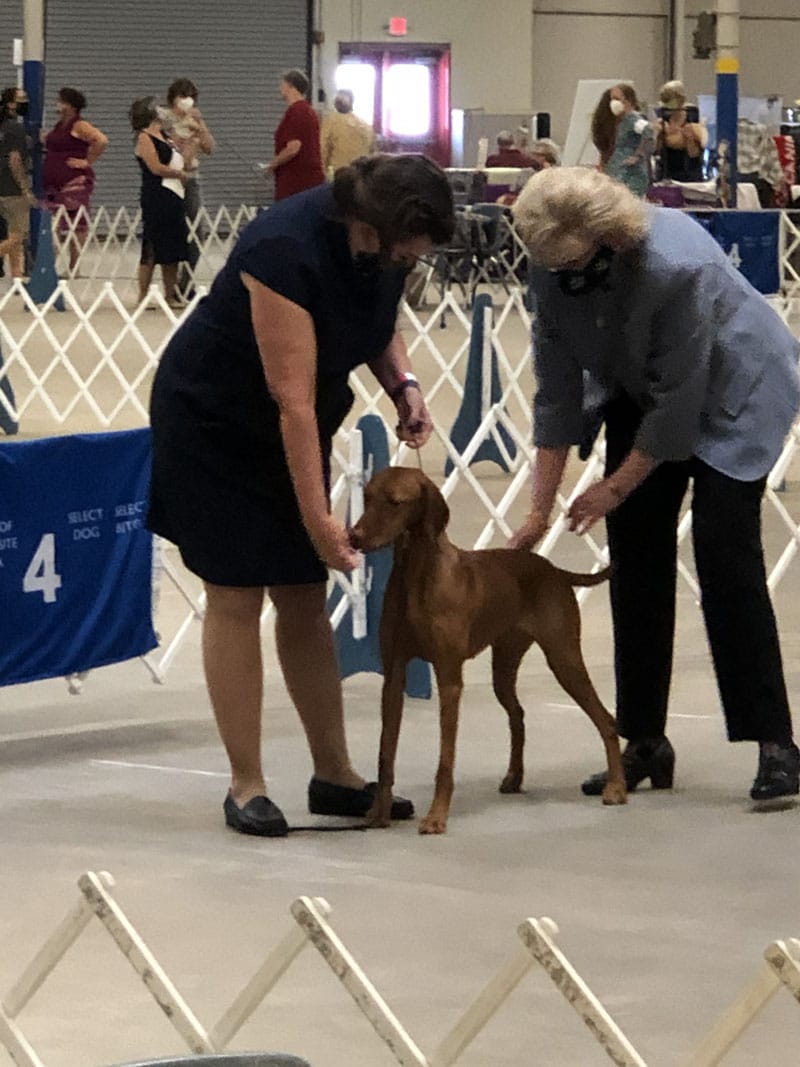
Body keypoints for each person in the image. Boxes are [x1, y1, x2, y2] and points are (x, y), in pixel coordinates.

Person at [147, 154, 455, 835]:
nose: (414, 257)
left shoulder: (384, 251)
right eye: (409, 246)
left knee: (303, 593)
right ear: (373, 223)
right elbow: (291, 400)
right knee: (235, 593)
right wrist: (318, 516)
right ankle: (246, 784)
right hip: (214, 420)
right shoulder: (282, 248)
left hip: (294, 420)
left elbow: (378, 327)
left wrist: (403, 385)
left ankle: (334, 773)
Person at [509, 167, 800, 805]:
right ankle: (642, 741)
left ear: (606, 238)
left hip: (735, 389)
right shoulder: (548, 265)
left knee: (727, 555)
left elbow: (679, 405)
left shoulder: (675, 265)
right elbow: (556, 391)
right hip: (639, 380)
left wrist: (613, 487)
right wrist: (538, 514)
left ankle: (776, 744)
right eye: (546, 264)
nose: (554, 274)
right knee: (635, 555)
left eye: (566, 262)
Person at [130, 97, 188, 309]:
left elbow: (180, 155)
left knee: (173, 245)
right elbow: (154, 167)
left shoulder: (165, 135)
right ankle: (143, 295)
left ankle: (169, 294)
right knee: (152, 245)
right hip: (156, 195)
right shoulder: (144, 138)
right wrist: (177, 173)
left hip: (173, 194)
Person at [42, 87, 108, 271]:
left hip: (74, 182)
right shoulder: (59, 125)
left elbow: (101, 140)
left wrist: (87, 161)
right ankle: (49, 265)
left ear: (70, 106)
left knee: (76, 223)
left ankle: (74, 266)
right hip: (53, 183)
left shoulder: (79, 125)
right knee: (52, 222)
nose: (58, 104)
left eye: (61, 101)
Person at [161, 77, 215, 299]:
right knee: (171, 232)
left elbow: (210, 147)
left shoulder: (196, 120)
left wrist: (200, 127)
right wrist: (183, 135)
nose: (186, 101)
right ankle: (168, 287)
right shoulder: (164, 119)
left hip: (191, 179)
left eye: (190, 96)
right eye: (182, 96)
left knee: (197, 232)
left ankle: (186, 282)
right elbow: (167, 148)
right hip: (170, 180)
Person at [266, 69, 325, 200]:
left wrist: (273, 164)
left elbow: (293, 147)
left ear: (291, 86)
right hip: (308, 180)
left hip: (297, 181)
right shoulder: (308, 111)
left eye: (283, 84)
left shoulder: (297, 111)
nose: (280, 88)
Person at [591, 84, 653, 197]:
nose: (613, 103)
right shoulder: (621, 121)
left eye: (617, 99)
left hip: (630, 173)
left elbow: (648, 133)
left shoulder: (634, 120)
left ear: (628, 101)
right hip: (617, 167)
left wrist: (639, 155)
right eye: (612, 99)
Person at [0, 87, 34, 281]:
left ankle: (17, 275)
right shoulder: (16, 128)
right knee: (17, 235)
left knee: (11, 233)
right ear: (11, 104)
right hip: (11, 188)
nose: (25, 102)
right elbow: (15, 160)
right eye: (22, 98)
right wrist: (25, 188)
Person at [654, 80, 707, 183]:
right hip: (666, 176)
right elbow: (656, 150)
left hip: (689, 176)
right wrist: (658, 135)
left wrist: (689, 138)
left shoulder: (693, 118)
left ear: (681, 99)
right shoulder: (662, 119)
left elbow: (694, 155)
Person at [320, 89, 376, 179]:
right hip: (362, 176)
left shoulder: (330, 122)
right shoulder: (365, 125)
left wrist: (322, 173)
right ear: (352, 103)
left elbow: (323, 150)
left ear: (335, 103)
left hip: (341, 175)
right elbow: (373, 152)